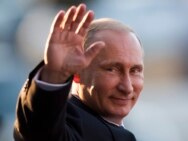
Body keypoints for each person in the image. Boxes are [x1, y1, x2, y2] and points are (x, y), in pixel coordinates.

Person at [13, 3, 144, 141]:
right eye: (111, 69)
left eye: (135, 71)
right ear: (77, 73)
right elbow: (41, 131)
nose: (127, 87)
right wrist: (55, 75)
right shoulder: (66, 123)